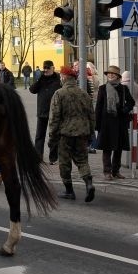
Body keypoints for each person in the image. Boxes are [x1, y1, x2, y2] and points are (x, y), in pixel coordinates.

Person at [48, 65, 96, 202]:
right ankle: (89, 184)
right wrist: (91, 133)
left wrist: (52, 137)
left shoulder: (59, 94)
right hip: (83, 133)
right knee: (82, 160)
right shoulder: (84, 94)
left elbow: (54, 118)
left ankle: (69, 191)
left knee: (64, 162)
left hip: (65, 134)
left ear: (63, 77)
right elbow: (92, 115)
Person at [94, 65, 135, 180]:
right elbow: (98, 107)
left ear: (118, 76)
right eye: (109, 74)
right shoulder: (102, 88)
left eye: (113, 74)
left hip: (120, 122)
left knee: (118, 148)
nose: (110, 75)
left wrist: (125, 110)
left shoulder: (123, 88)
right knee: (107, 148)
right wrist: (97, 124)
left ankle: (116, 171)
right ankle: (107, 172)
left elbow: (131, 102)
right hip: (106, 123)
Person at [30, 60, 62, 164]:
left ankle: (53, 158)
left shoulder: (58, 78)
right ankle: (38, 157)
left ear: (53, 67)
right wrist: (40, 79)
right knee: (39, 135)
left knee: (54, 135)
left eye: (48, 68)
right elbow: (32, 90)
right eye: (45, 68)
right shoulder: (41, 79)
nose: (46, 70)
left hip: (55, 111)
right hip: (42, 111)